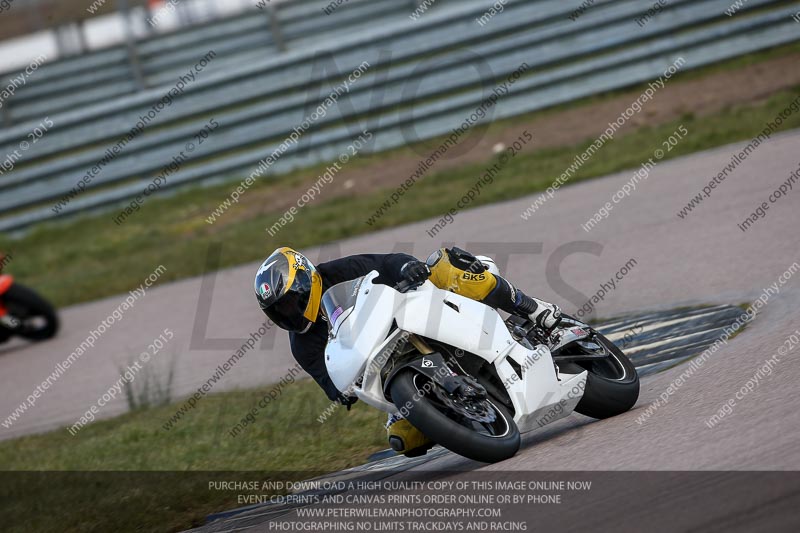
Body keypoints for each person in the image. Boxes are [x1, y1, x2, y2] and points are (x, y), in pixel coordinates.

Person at [253, 246, 562, 456]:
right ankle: (467, 413)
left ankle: (532, 308)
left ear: (306, 280)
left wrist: (407, 267)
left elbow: (388, 263)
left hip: (415, 315)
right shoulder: (303, 345)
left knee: (443, 266)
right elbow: (330, 383)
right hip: (391, 362)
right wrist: (342, 391)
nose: (288, 312)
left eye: (291, 301)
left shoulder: (342, 270)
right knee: (402, 439)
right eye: (278, 309)